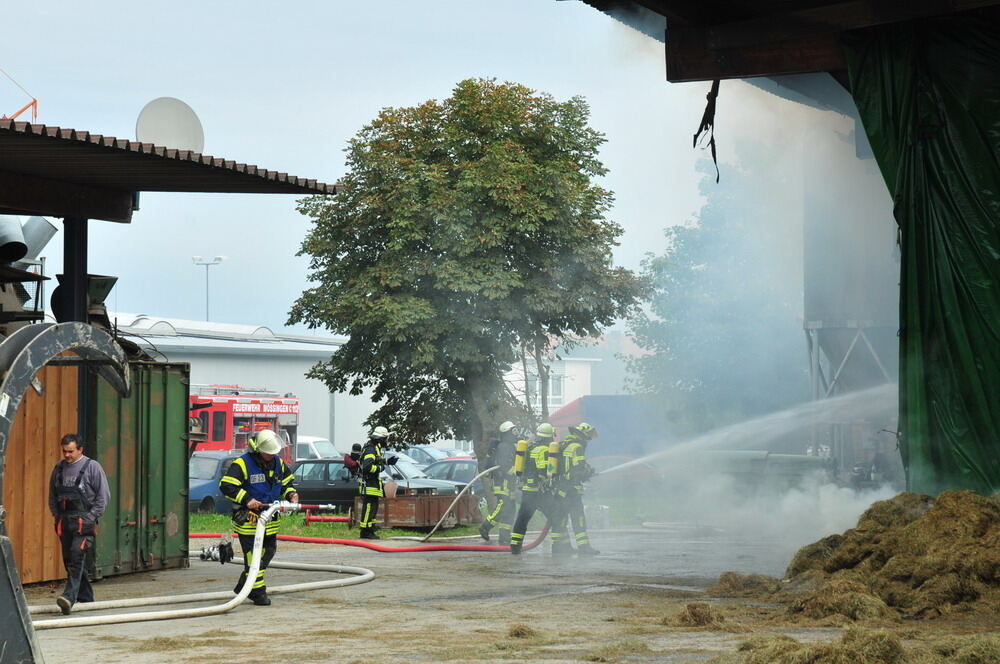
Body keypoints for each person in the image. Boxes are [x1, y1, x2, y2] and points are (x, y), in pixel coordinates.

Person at [219, 429, 298, 606]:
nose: (271, 456)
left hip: (270, 521)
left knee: (267, 553)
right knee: (252, 558)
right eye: (268, 453)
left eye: (273, 453)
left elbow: (286, 483)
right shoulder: (242, 464)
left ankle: (243, 587)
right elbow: (226, 486)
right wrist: (247, 499)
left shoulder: (278, 463)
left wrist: (291, 494)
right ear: (258, 450)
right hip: (249, 522)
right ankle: (258, 593)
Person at [48, 434, 111, 615]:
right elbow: (52, 496)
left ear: (80, 449)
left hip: (84, 522)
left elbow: (103, 496)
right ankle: (87, 599)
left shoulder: (92, 467)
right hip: (65, 521)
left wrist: (92, 516)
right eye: (64, 451)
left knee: (76, 556)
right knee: (70, 561)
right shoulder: (58, 469)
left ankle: (69, 598)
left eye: (71, 451)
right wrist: (57, 516)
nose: (67, 455)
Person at [508, 423, 565, 555]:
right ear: (550, 436)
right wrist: (551, 477)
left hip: (528, 490)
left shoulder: (530, 447)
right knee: (557, 516)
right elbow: (543, 471)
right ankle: (558, 547)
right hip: (540, 492)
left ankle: (515, 547)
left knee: (522, 519)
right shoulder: (545, 450)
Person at [553, 422, 599, 556]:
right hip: (572, 490)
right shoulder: (577, 447)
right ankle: (584, 548)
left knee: (560, 519)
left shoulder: (565, 445)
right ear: (583, 434)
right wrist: (588, 473)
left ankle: (558, 547)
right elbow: (577, 470)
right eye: (589, 435)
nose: (589, 439)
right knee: (578, 518)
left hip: (561, 489)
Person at [479, 421, 520, 545]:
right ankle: (485, 526)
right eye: (512, 431)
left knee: (510, 510)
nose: (515, 434)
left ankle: (504, 537)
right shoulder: (504, 446)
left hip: (509, 483)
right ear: (507, 433)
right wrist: (516, 474)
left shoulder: (510, 445)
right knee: (503, 507)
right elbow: (505, 465)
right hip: (503, 483)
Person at [357, 426, 398, 539]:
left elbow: (375, 460)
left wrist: (386, 461)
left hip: (373, 483)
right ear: (380, 439)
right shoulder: (371, 449)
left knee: (373, 507)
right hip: (370, 484)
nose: (386, 441)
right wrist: (380, 468)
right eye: (385, 438)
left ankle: (370, 529)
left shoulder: (375, 447)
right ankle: (365, 531)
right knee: (369, 507)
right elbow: (367, 467)